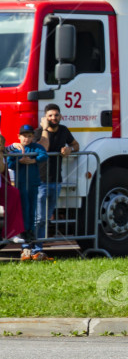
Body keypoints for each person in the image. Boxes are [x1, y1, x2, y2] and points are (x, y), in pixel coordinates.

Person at [34, 103, 79, 241]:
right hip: (40, 182)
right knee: (39, 218)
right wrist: (45, 128)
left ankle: (39, 246)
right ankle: (34, 246)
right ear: (45, 118)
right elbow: (44, 148)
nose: (53, 117)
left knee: (46, 218)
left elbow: (76, 145)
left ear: (60, 116)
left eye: (56, 115)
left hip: (56, 181)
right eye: (50, 115)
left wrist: (70, 149)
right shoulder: (38, 132)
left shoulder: (64, 130)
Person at [7, 125, 49, 260]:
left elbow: (44, 155)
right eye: (24, 136)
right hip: (21, 184)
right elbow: (9, 162)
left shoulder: (36, 147)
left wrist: (32, 160)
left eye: (29, 136)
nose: (27, 138)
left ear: (33, 137)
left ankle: (30, 233)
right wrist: (19, 160)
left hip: (33, 184)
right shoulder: (16, 148)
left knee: (33, 210)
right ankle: (25, 235)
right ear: (19, 137)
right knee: (24, 209)